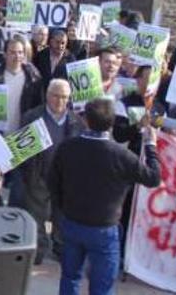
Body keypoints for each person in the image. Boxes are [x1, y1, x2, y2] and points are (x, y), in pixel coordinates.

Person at [48, 98, 161, 295]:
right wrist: (151, 145)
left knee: (70, 277)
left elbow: (52, 181)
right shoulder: (121, 155)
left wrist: (63, 208)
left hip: (73, 222)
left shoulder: (68, 147)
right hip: (104, 228)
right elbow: (153, 178)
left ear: (86, 120)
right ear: (112, 123)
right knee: (102, 285)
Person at [13, 80, 85, 264]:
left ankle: (60, 247)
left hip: (64, 179)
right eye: (55, 95)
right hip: (38, 175)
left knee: (62, 216)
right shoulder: (32, 116)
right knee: (36, 215)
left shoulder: (77, 122)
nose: (59, 101)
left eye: (64, 97)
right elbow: (19, 150)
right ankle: (38, 250)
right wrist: (27, 174)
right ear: (47, 95)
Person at [0, 37, 43, 132]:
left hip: (22, 134)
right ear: (5, 54)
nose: (17, 56)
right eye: (13, 52)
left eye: (20, 52)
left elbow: (38, 108)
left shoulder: (34, 78)